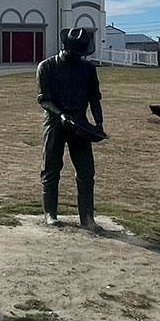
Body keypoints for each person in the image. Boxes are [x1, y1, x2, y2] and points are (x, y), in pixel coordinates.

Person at [37, 28, 106, 230]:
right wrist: (61, 114)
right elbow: (44, 99)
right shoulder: (47, 67)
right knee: (50, 168)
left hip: (80, 124)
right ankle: (50, 213)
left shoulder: (88, 69)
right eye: (75, 51)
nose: (78, 56)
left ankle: (87, 217)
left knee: (86, 171)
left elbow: (95, 98)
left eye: (81, 53)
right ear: (65, 47)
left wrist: (99, 123)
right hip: (54, 123)